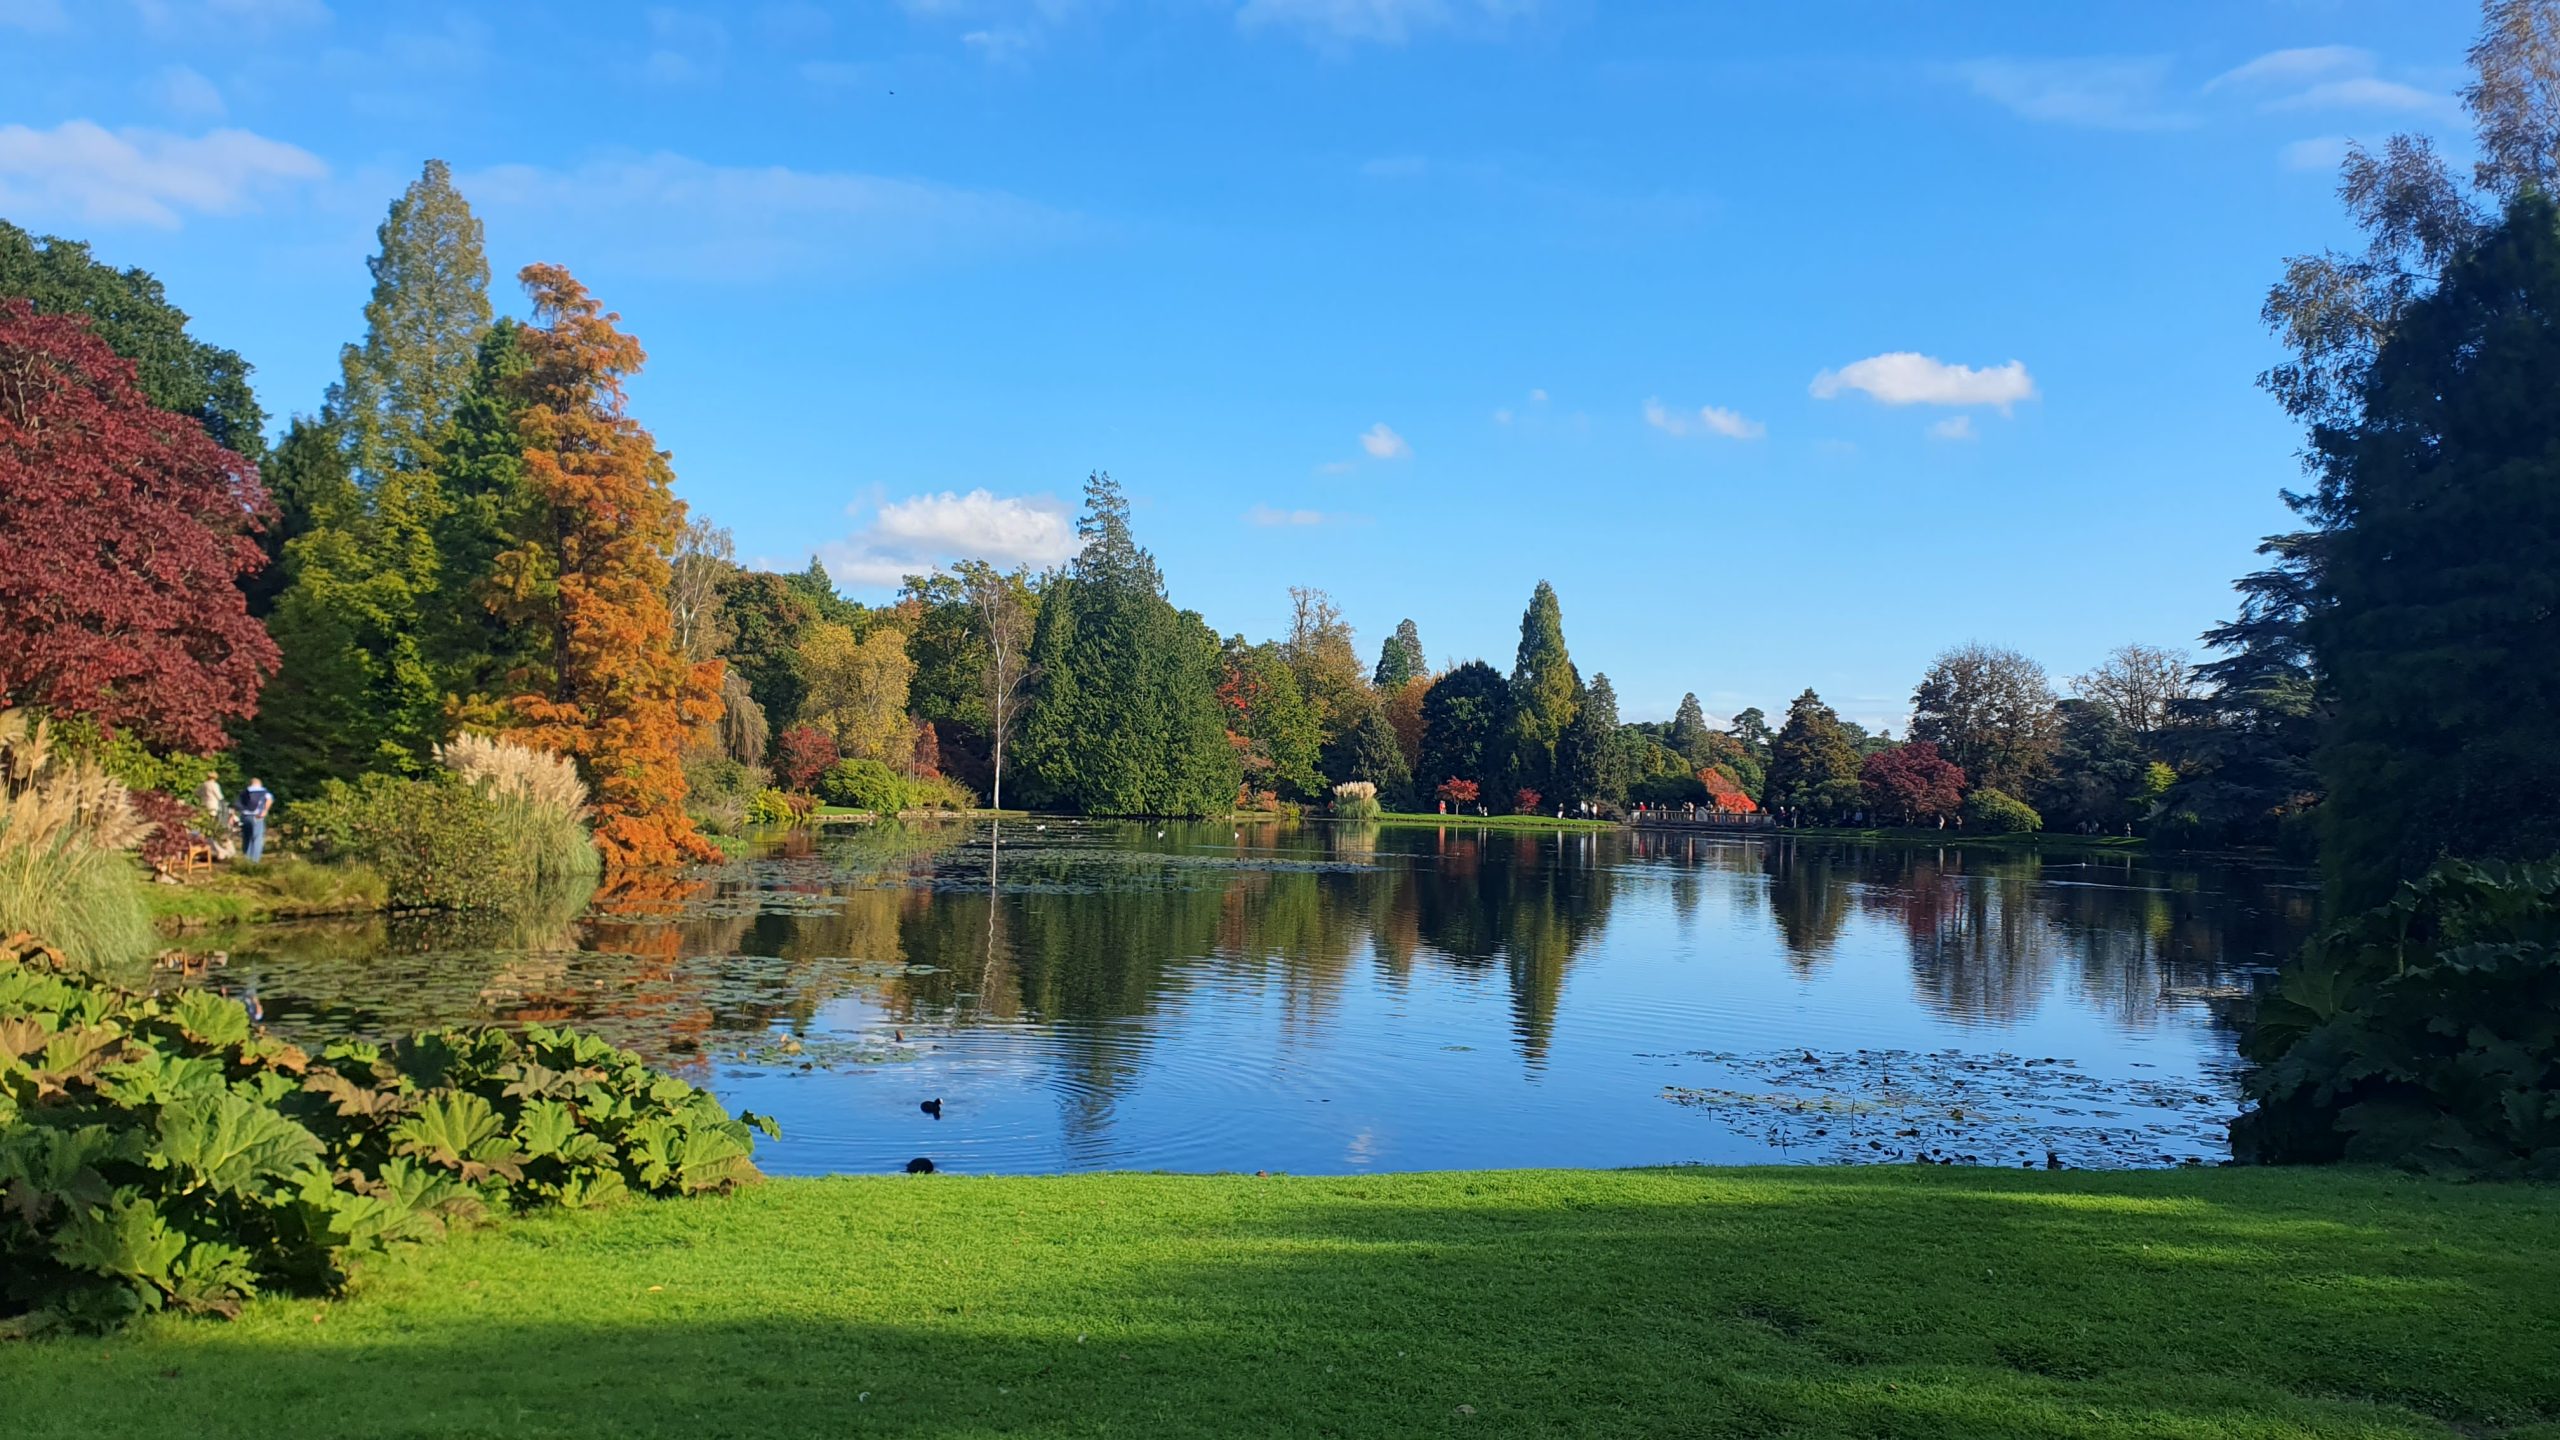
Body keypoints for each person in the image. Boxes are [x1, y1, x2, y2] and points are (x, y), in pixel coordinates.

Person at [197, 771, 234, 860]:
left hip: (204, 806)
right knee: (214, 827)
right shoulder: (214, 785)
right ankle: (217, 848)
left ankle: (208, 845)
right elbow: (219, 796)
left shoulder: (203, 784)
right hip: (213, 806)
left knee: (206, 826)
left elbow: (197, 793)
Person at [240, 777, 273, 863]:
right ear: (260, 784)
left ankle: (246, 860)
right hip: (257, 816)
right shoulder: (264, 791)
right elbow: (269, 800)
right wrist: (265, 811)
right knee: (257, 838)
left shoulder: (245, 791)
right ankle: (254, 862)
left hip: (245, 816)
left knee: (247, 837)